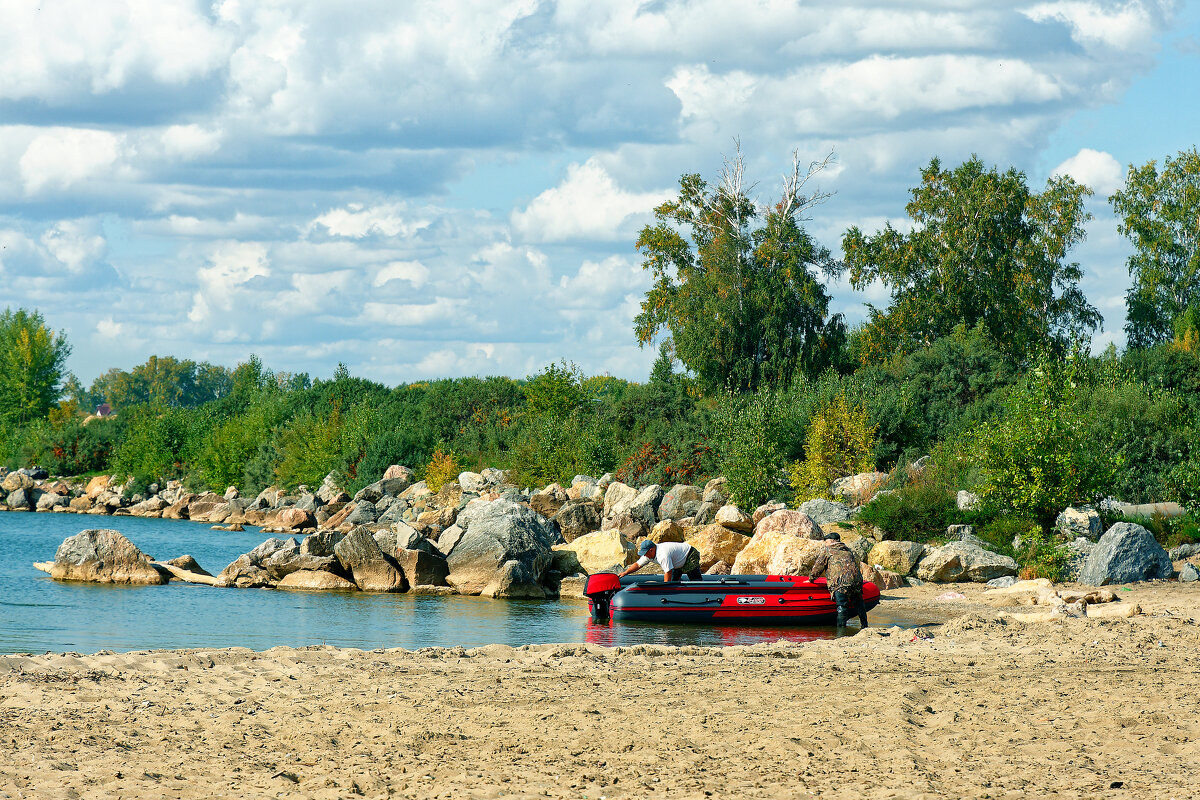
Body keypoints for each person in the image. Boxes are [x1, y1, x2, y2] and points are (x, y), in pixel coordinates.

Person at [808, 531, 868, 630]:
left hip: (840, 582)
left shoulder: (828, 551)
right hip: (856, 581)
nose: (825, 544)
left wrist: (811, 579)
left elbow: (818, 567)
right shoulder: (848, 550)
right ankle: (865, 626)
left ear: (831, 541)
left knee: (842, 606)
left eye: (826, 542)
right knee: (859, 603)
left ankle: (841, 630)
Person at [616, 540, 703, 582]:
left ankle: (701, 592)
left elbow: (668, 572)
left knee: (694, 577)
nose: (644, 555)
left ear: (651, 550)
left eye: (645, 553)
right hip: (677, 560)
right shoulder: (648, 555)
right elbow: (638, 565)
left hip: (689, 554)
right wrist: (625, 573)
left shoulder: (662, 555)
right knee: (673, 580)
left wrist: (664, 589)